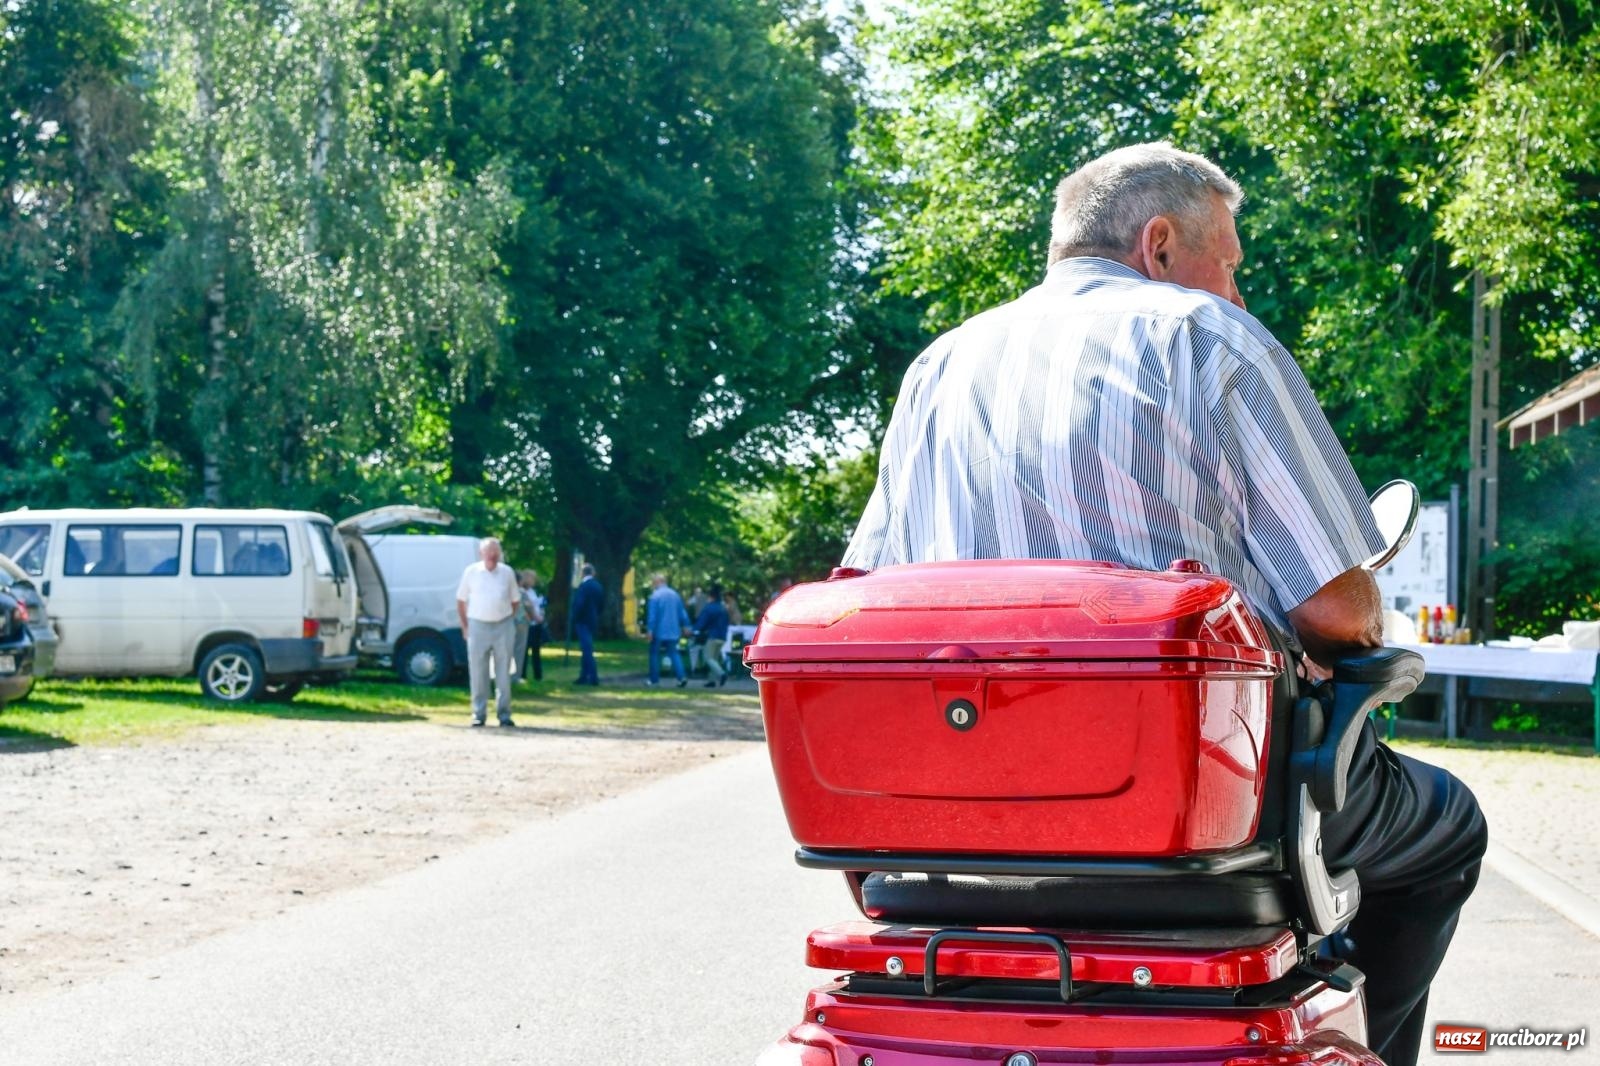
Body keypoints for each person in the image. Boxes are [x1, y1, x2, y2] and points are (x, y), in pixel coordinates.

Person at [841, 142, 1487, 1066]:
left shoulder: (936, 369)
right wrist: (1353, 624)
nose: (1237, 292)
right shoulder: (1212, 339)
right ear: (1158, 244)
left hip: (958, 824)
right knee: (1448, 826)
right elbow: (1338, 611)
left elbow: (864, 596)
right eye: (1230, 264)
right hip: (1198, 814)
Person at [455, 536, 520, 727]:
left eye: (495, 551)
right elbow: (461, 600)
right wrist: (465, 626)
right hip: (477, 625)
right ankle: (478, 713)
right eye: (489, 551)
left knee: (503, 671)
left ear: (500, 553)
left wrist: (507, 619)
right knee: (478, 671)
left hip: (503, 625)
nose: (492, 555)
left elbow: (515, 601)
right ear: (481, 553)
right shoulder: (471, 572)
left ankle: (504, 713)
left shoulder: (507, 572)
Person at [644, 572, 690, 688]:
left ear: (657, 582)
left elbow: (652, 616)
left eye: (653, 582)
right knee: (674, 653)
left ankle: (654, 680)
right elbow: (682, 613)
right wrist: (686, 625)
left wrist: (650, 630)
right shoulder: (675, 595)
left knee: (654, 654)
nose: (653, 585)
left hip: (659, 630)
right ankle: (681, 677)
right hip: (673, 630)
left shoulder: (655, 596)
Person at [692, 582, 731, 688]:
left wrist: (694, 630)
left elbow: (702, 623)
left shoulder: (709, 608)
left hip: (712, 636)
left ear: (711, 597)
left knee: (708, 658)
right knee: (715, 658)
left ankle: (722, 674)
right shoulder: (723, 608)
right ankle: (711, 680)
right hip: (722, 637)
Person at [571, 563, 603, 686]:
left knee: (587, 649)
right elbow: (601, 604)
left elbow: (579, 604)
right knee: (586, 648)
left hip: (582, 620)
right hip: (593, 620)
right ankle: (584, 676)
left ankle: (593, 676)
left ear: (583, 573)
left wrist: (575, 617)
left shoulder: (583, 587)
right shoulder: (598, 586)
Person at [511, 569, 544, 684]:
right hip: (520, 624)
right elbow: (529, 607)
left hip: (506, 624)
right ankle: (515, 676)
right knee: (519, 650)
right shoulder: (521, 592)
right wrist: (537, 618)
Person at [526, 573, 550, 681]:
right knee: (525, 650)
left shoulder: (532, 591)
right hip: (530, 623)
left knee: (536, 650)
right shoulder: (525, 592)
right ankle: (522, 674)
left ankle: (538, 674)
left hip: (536, 622)